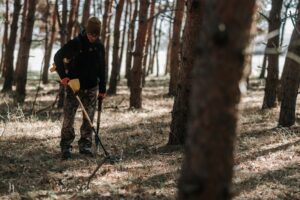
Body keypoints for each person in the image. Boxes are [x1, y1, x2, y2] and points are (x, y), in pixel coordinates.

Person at [54, 17, 106, 160]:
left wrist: (102, 89)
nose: (92, 38)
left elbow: (102, 69)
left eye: (95, 35)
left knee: (88, 119)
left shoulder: (99, 46)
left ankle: (85, 146)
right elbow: (57, 57)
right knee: (69, 118)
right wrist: (63, 76)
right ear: (86, 31)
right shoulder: (76, 43)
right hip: (74, 87)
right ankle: (66, 147)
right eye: (91, 34)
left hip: (91, 88)